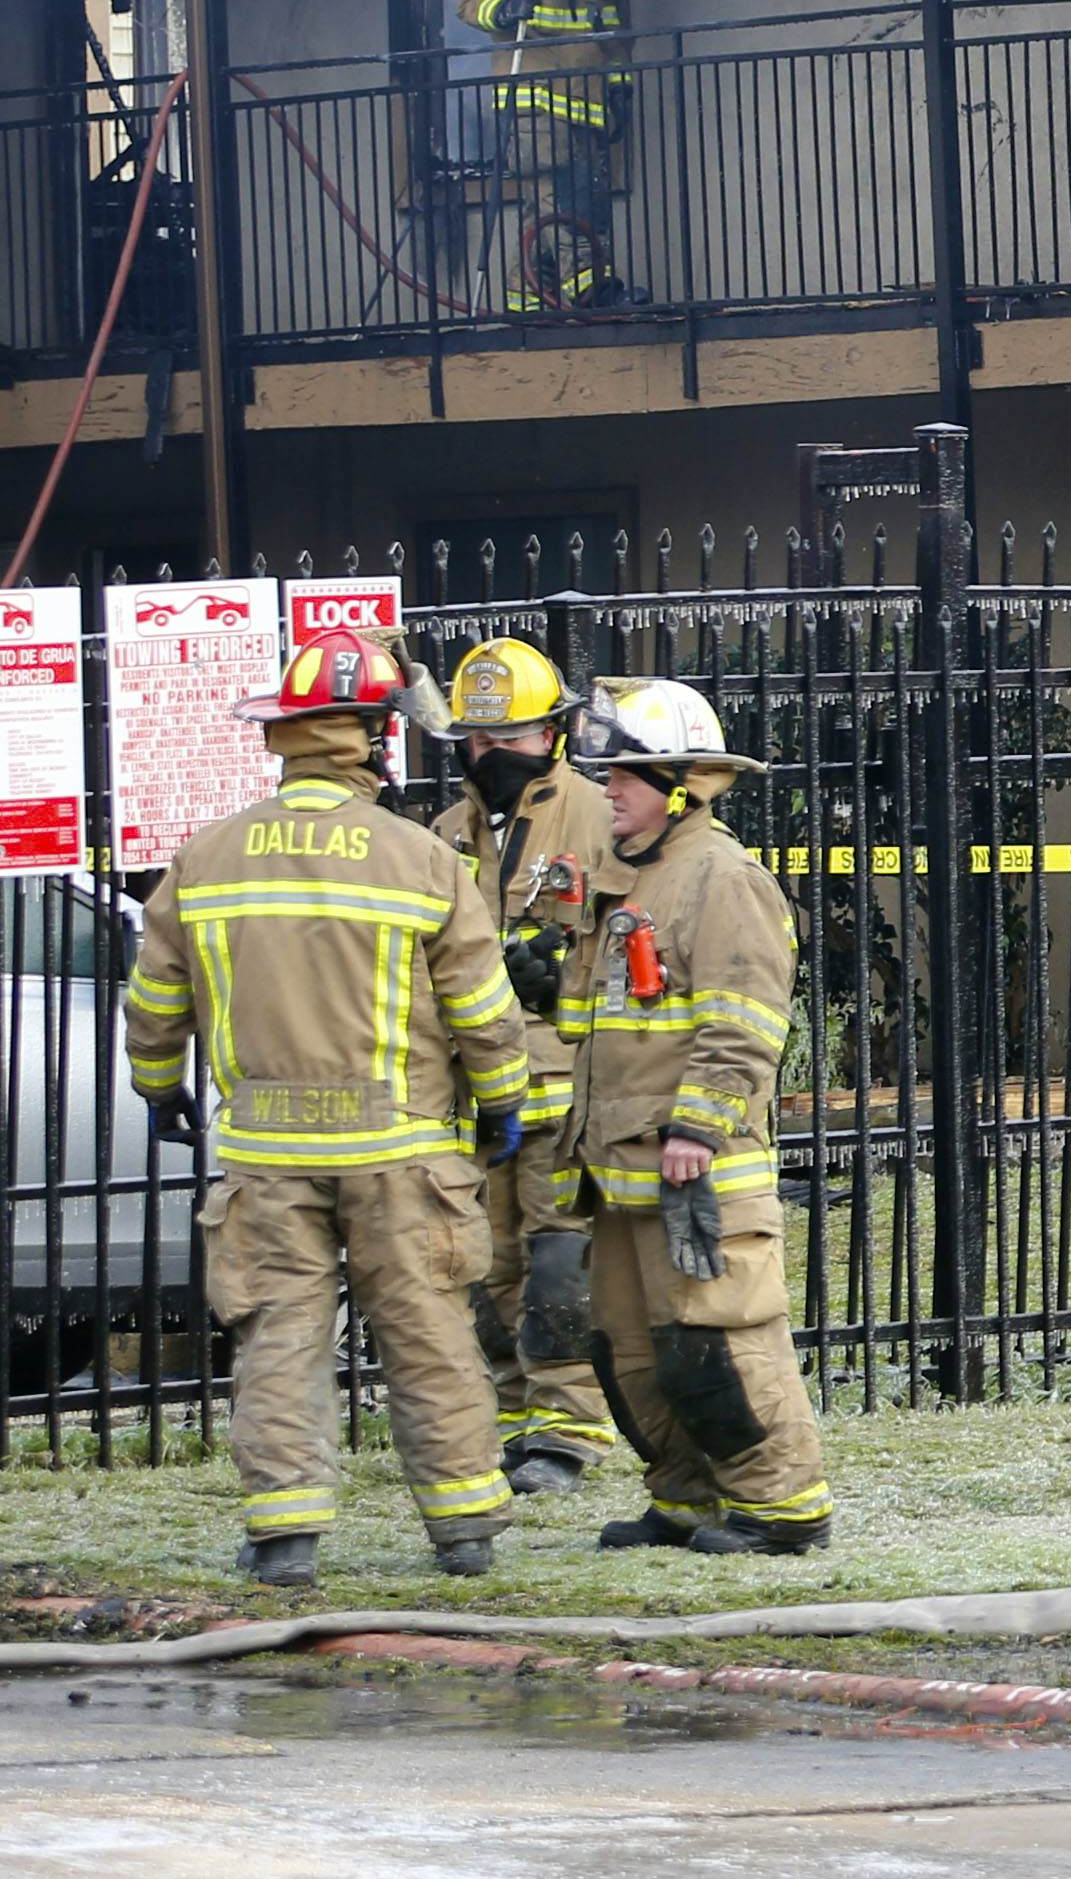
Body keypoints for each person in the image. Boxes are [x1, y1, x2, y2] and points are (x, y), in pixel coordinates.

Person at [122, 630, 540, 1586]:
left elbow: (154, 1000)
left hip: (266, 1154)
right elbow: (483, 1009)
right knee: (427, 1332)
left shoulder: (207, 857)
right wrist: (503, 1104)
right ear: (376, 741)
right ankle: (464, 1529)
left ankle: (286, 1534)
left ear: (285, 737)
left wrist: (158, 1088)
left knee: (279, 1332)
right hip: (402, 1149)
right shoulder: (420, 859)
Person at [558, 677, 831, 1556]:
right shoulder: (634, 878)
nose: (608, 790)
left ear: (680, 785)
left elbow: (746, 1019)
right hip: (617, 1167)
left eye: (623, 775)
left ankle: (783, 1507)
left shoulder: (723, 878)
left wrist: (696, 1128)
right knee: (633, 1351)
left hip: (693, 1165)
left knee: (719, 1342)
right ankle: (684, 1497)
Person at [425, 637, 619, 1494]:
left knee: (558, 1265)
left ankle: (568, 1431)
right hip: (475, 1094)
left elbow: (642, 941)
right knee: (485, 1267)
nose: (493, 753)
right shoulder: (443, 835)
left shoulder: (601, 817)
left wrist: (564, 972)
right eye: (479, 738)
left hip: (566, 1088)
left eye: (512, 736)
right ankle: (513, 1420)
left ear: (554, 733)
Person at [460, 0, 627, 312]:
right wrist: (505, 10)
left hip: (586, 100)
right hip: (534, 98)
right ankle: (594, 291)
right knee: (566, 200)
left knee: (550, 206)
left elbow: (608, 28)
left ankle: (527, 299)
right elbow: (472, 3)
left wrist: (620, 84)